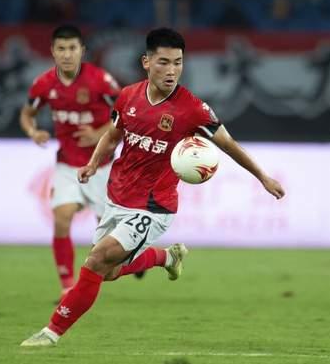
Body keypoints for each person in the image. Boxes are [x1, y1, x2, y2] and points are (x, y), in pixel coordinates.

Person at [20, 27, 285, 346]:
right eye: (164, 62)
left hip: (153, 206)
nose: (172, 70)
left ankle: (50, 333)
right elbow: (113, 136)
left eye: (178, 62)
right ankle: (166, 258)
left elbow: (228, 144)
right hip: (117, 197)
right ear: (146, 62)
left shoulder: (193, 110)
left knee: (96, 260)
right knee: (108, 272)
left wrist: (263, 177)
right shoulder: (128, 96)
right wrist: (92, 163)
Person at [19, 24, 158, 300]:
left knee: (113, 245)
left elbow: (128, 112)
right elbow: (26, 114)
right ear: (53, 51)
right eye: (61, 49)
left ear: (82, 51)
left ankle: (140, 259)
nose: (67, 54)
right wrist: (33, 132)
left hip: (102, 168)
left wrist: (98, 134)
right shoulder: (44, 84)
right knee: (62, 218)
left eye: (72, 48)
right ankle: (67, 286)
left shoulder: (100, 81)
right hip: (67, 166)